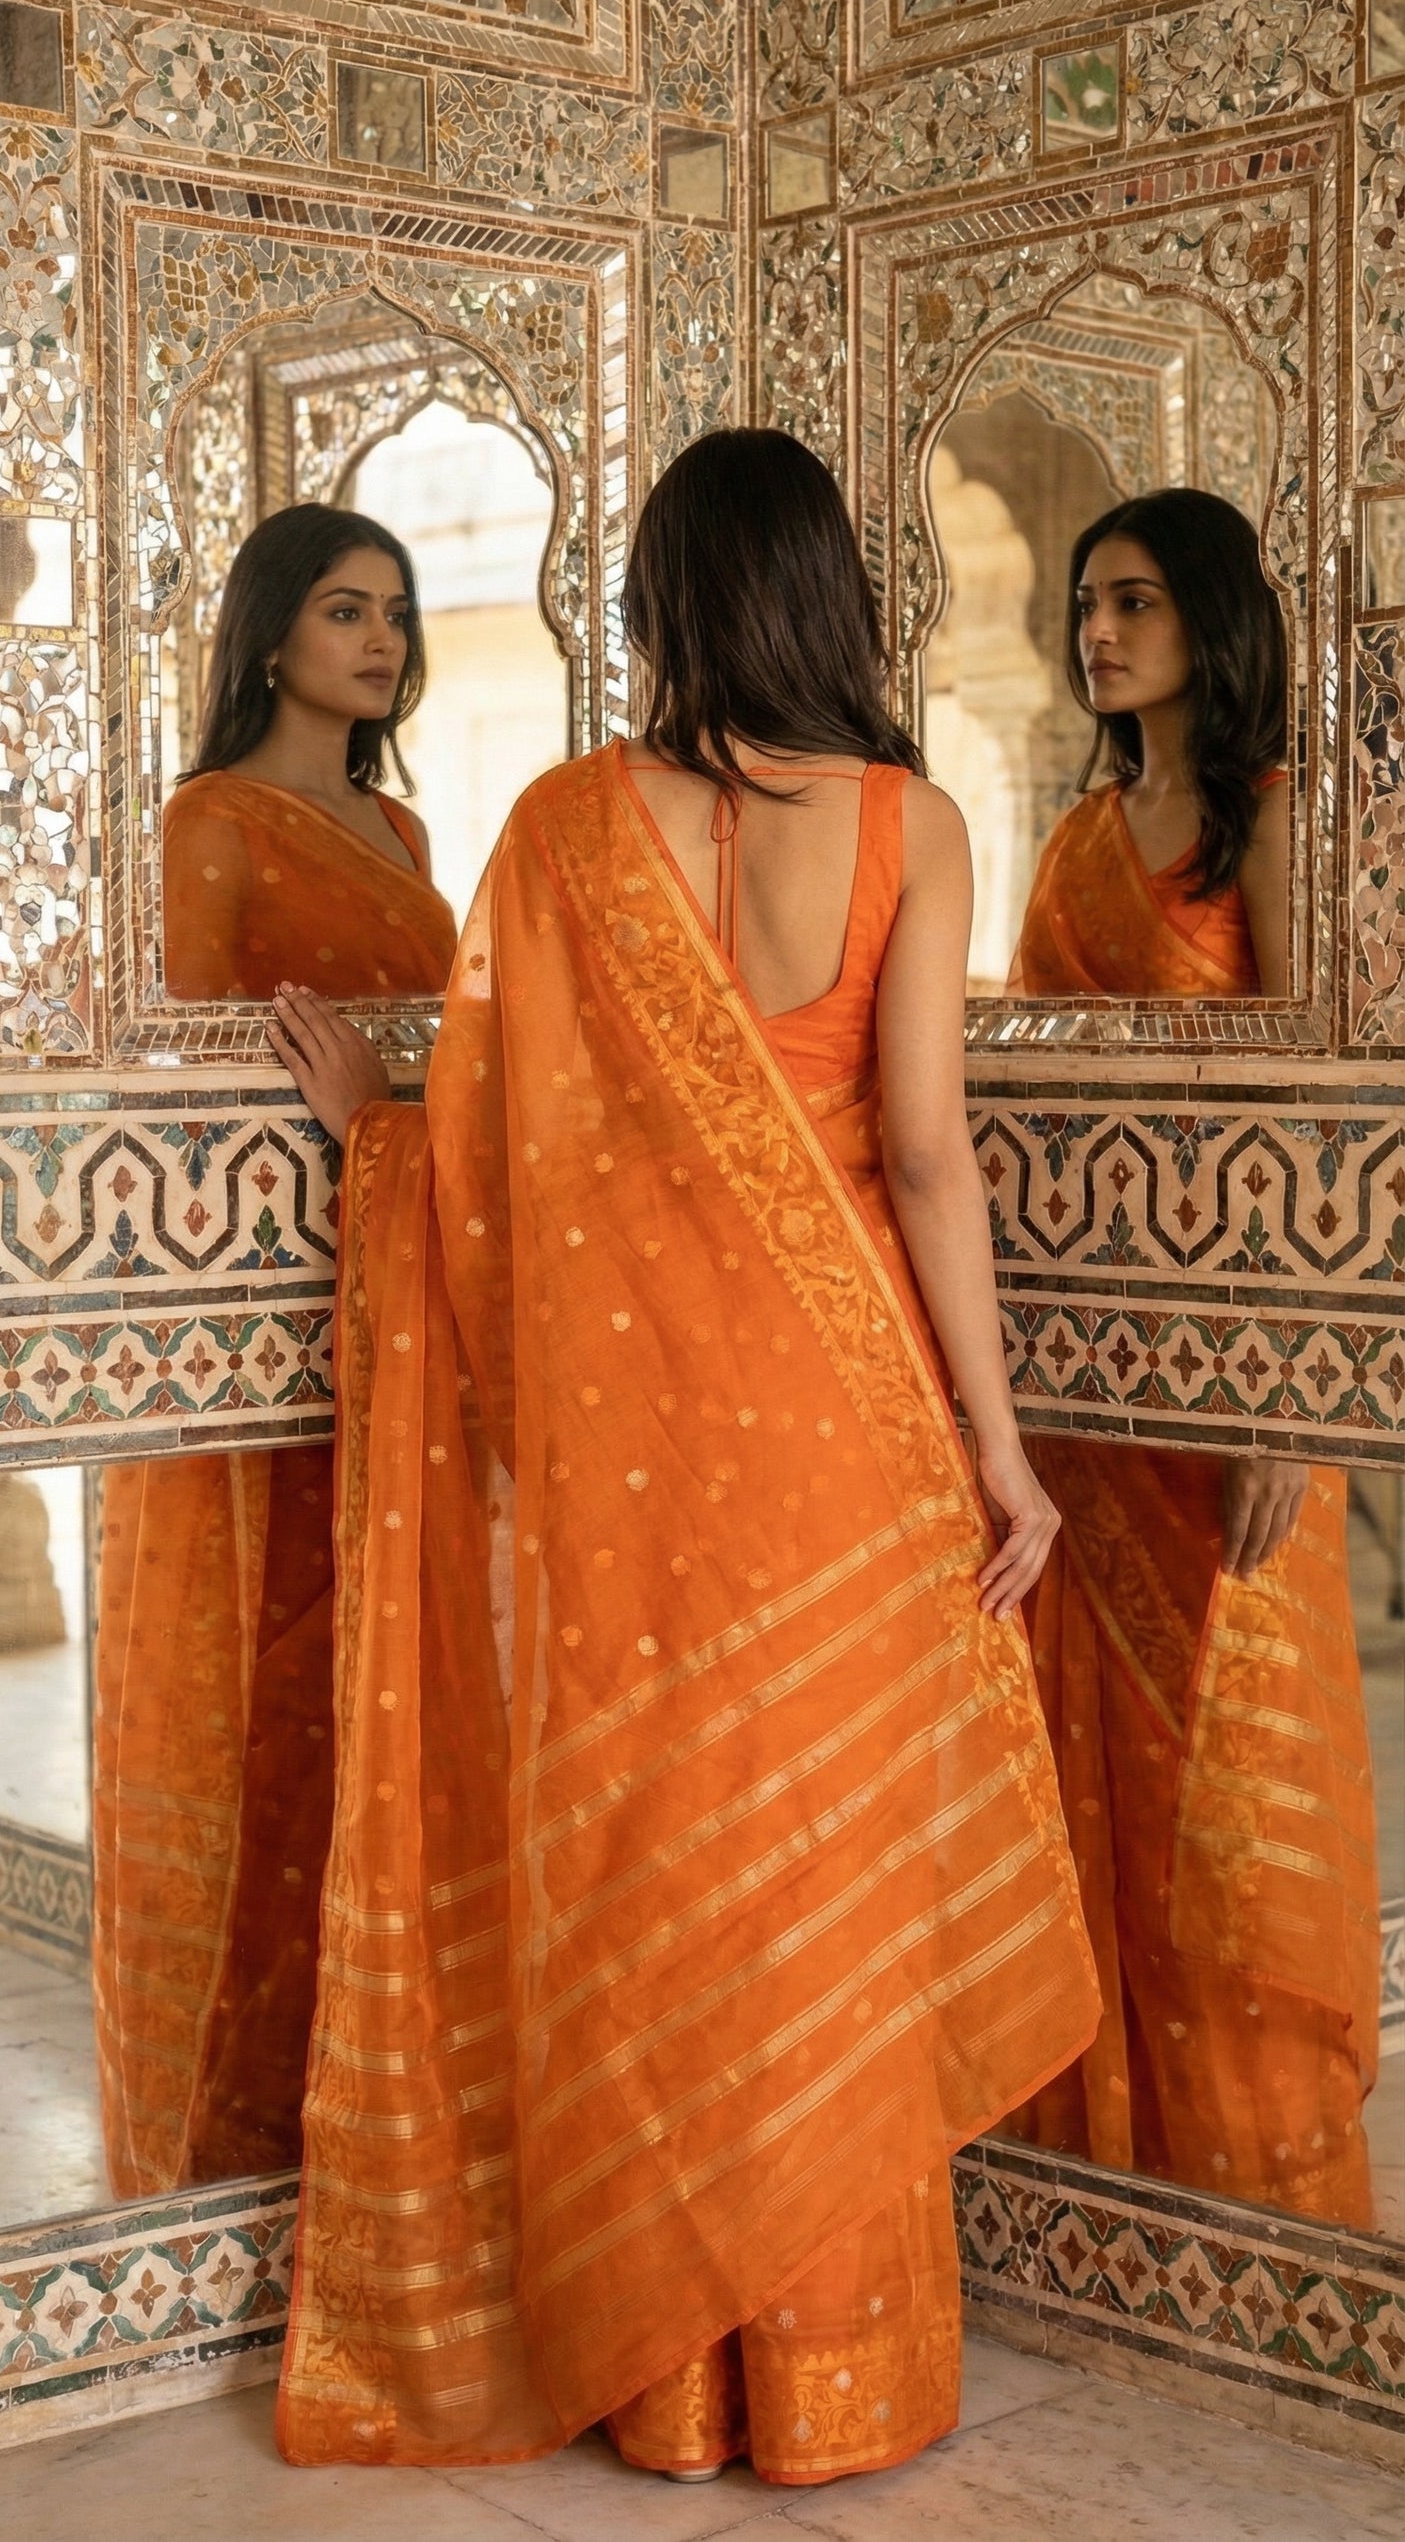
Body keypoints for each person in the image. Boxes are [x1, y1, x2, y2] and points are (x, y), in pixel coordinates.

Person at [268, 429, 1098, 2485]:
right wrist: (1000, 1450)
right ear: (833, 595)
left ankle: (672, 2388)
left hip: (643, 1456)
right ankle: (829, 2369)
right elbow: (922, 1152)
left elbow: (497, 1161)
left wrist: (379, 1122)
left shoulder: (558, 830)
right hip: (855, 1423)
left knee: (664, 1867)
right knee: (829, 1867)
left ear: (650, 606)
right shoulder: (913, 821)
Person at [1005, 488, 1379, 2223]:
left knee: (1234, 1794)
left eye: (1136, 599)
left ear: (1209, 623)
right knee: (1104, 1778)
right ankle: (1112, 2180)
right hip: (1089, 1396)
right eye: (1087, 601)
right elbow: (1023, 1102)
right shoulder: (1082, 836)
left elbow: (1315, 1112)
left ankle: (1253, 2186)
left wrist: (1288, 1392)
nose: (1100, 629)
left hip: (1235, 1383)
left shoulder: (1279, 822)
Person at [92, 505, 457, 2197]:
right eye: (339, 609)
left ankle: (374, 2119)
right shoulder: (204, 825)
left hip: (395, 1283)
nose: (375, 640)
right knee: (260, 1691)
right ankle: (229, 2130)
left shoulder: (396, 820)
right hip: (253, 1314)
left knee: (380, 1693)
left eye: (390, 611)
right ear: (268, 636)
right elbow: (170, 1089)